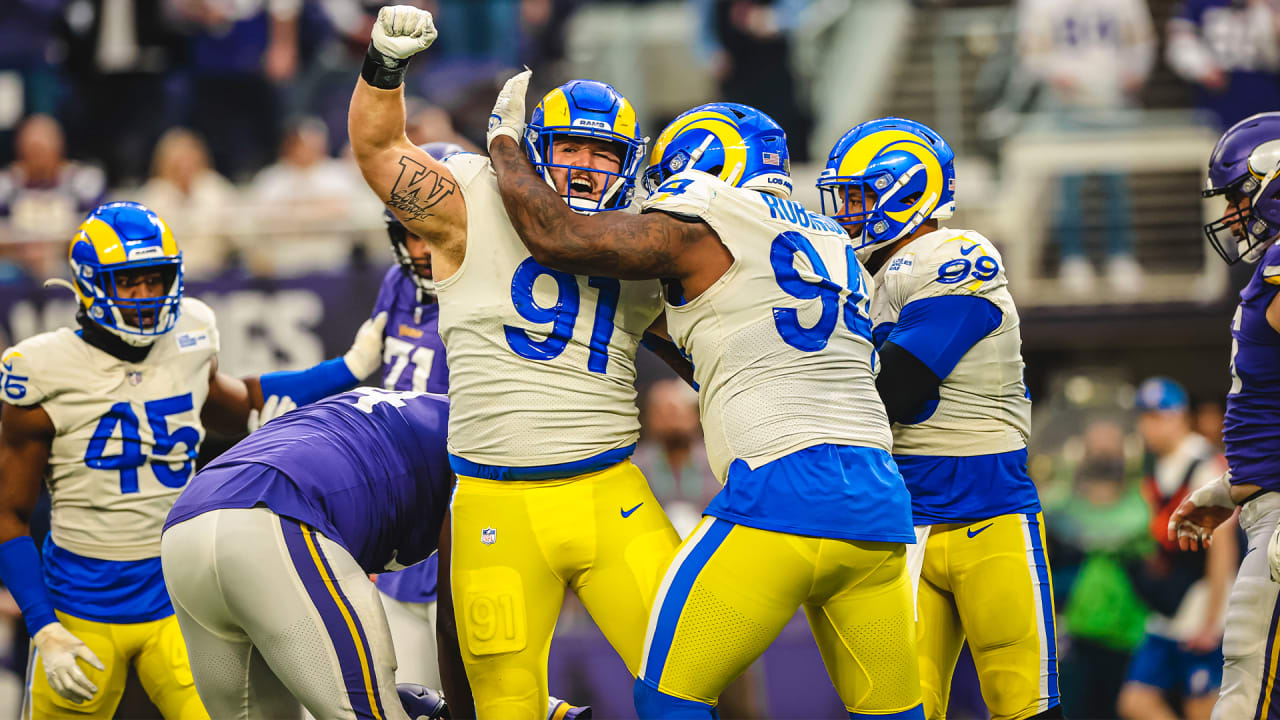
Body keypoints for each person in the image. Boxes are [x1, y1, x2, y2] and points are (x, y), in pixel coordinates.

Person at [486, 80, 923, 718]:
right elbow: (718, 354)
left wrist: (503, 144)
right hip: (879, 511)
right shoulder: (833, 243)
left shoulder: (707, 209)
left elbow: (561, 239)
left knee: (668, 699)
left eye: (667, 177)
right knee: (893, 713)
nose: (657, 196)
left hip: (781, 496)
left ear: (705, 169)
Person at [348, 8, 684, 718]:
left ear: (631, 163)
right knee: (507, 704)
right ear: (535, 149)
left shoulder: (647, 236)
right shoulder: (471, 198)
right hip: (496, 499)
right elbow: (380, 152)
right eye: (570, 149)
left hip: (609, 492)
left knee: (686, 675)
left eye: (603, 153)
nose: (587, 166)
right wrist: (384, 67)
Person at [0, 201, 387, 718]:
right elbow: (10, 515)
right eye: (129, 281)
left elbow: (241, 404)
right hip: (79, 606)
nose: (145, 297)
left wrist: (351, 366)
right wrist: (41, 622)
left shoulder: (191, 332)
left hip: (177, 595)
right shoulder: (41, 368)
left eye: (156, 279)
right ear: (90, 284)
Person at [816, 117, 1060, 719]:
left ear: (907, 192)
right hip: (905, 521)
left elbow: (898, 387)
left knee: (1024, 703)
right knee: (903, 709)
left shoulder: (954, 253)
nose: (847, 213)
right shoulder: (869, 277)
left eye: (858, 196)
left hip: (990, 515)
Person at [1170, 111, 1280, 720]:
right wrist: (1233, 485)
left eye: (1240, 196)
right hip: (1265, 502)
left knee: (1245, 698)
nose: (1232, 215)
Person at [370, 142, 457, 693]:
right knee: (400, 694)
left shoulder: (494, 287)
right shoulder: (397, 284)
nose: (422, 249)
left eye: (435, 230)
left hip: (464, 500)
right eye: (411, 231)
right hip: (404, 499)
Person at [1119, 377, 1233, 720]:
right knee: (1135, 702)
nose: (1149, 426)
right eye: (1145, 416)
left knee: (1201, 709)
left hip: (1202, 609)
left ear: (1181, 417)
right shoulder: (1151, 467)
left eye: (1159, 416)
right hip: (1167, 614)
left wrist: (1213, 622)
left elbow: (1222, 547)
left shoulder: (1205, 465)